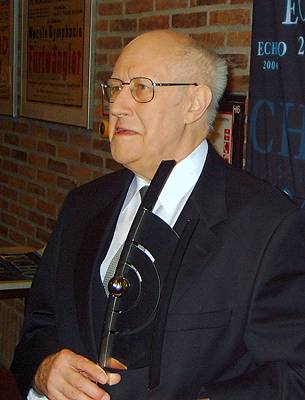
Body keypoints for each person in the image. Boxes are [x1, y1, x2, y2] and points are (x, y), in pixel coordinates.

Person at [11, 29, 305, 400]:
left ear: (194, 103)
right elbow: (39, 325)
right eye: (115, 87)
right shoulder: (83, 205)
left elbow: (293, 376)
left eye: (140, 88)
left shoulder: (267, 226)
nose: (116, 105)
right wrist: (44, 368)